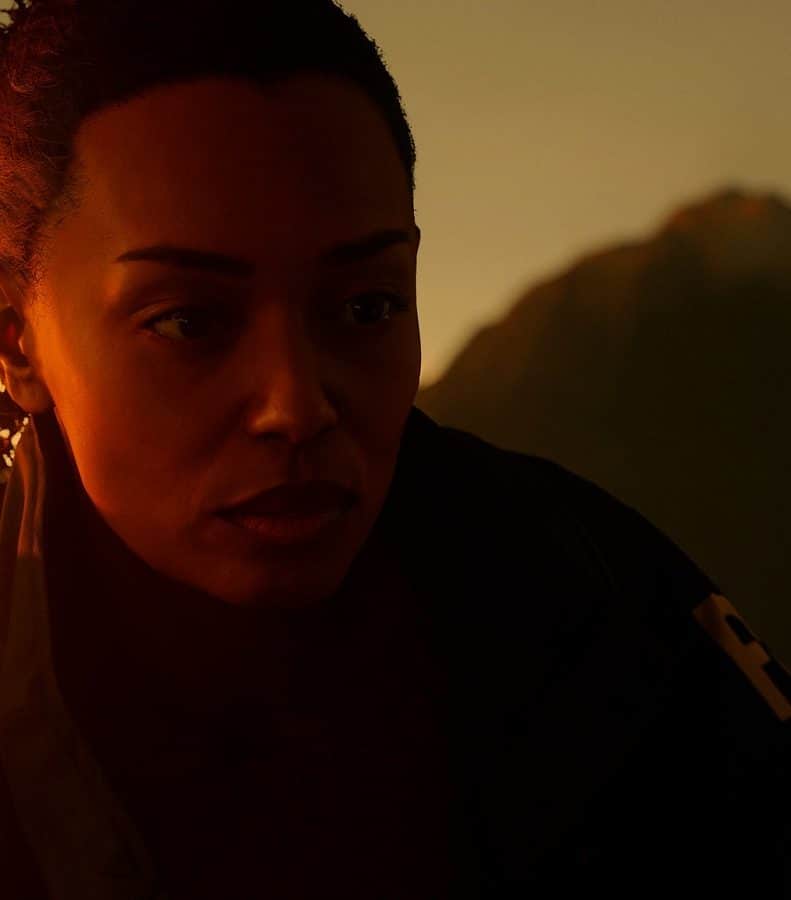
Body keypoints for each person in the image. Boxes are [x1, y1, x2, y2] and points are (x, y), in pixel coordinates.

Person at [0, 1, 787, 898]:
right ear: (16, 342)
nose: (297, 407)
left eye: (365, 306)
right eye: (189, 321)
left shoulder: (611, 615)